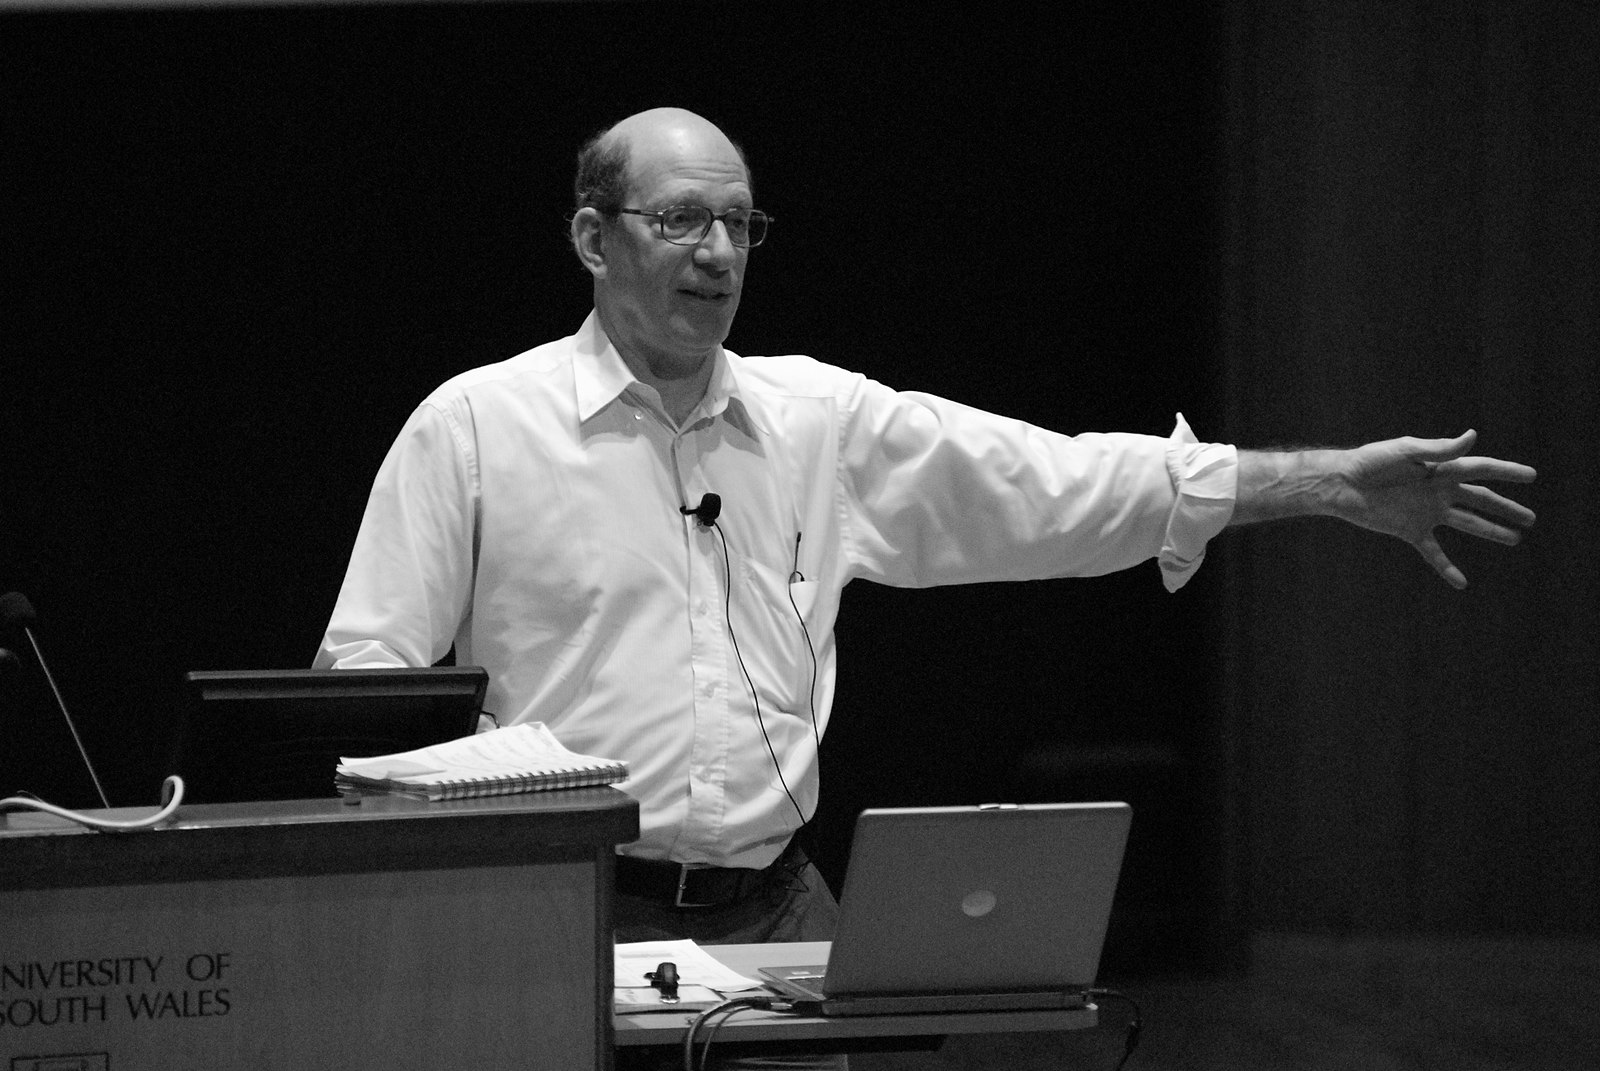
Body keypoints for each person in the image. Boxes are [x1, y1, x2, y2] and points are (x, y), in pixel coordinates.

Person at [314, 106, 1535, 1054]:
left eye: (739, 223)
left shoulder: (815, 420)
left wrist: (1324, 483)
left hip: (778, 913)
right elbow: (362, 687)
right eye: (681, 221)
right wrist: (477, 846)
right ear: (593, 238)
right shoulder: (477, 428)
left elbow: (1056, 484)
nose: (719, 254)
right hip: (555, 912)